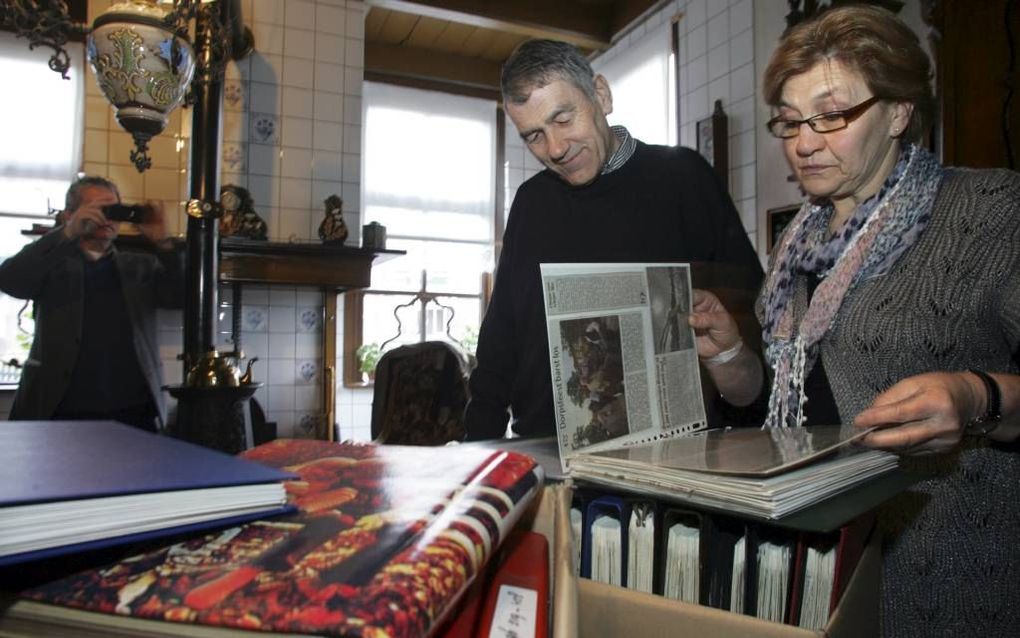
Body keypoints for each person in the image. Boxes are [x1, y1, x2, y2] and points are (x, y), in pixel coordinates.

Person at [689, 6, 1020, 635]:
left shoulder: (987, 212)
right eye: (789, 121)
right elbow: (797, 408)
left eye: (832, 115)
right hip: (823, 571)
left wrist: (977, 396)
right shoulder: (798, 245)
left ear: (898, 112)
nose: (803, 142)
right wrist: (732, 359)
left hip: (953, 579)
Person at [464, 39, 764, 440]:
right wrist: (476, 448)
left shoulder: (683, 179)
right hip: (546, 453)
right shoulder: (532, 203)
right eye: (534, 135)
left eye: (563, 119)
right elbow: (501, 339)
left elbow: (752, 323)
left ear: (600, 96)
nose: (554, 148)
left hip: (673, 460)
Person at [0, 176, 186, 432]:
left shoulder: (141, 266)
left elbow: (182, 299)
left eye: (113, 211)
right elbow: (10, 281)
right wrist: (66, 233)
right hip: (59, 411)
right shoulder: (52, 264)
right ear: (70, 215)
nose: (106, 219)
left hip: (133, 414)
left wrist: (164, 243)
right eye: (98, 210)